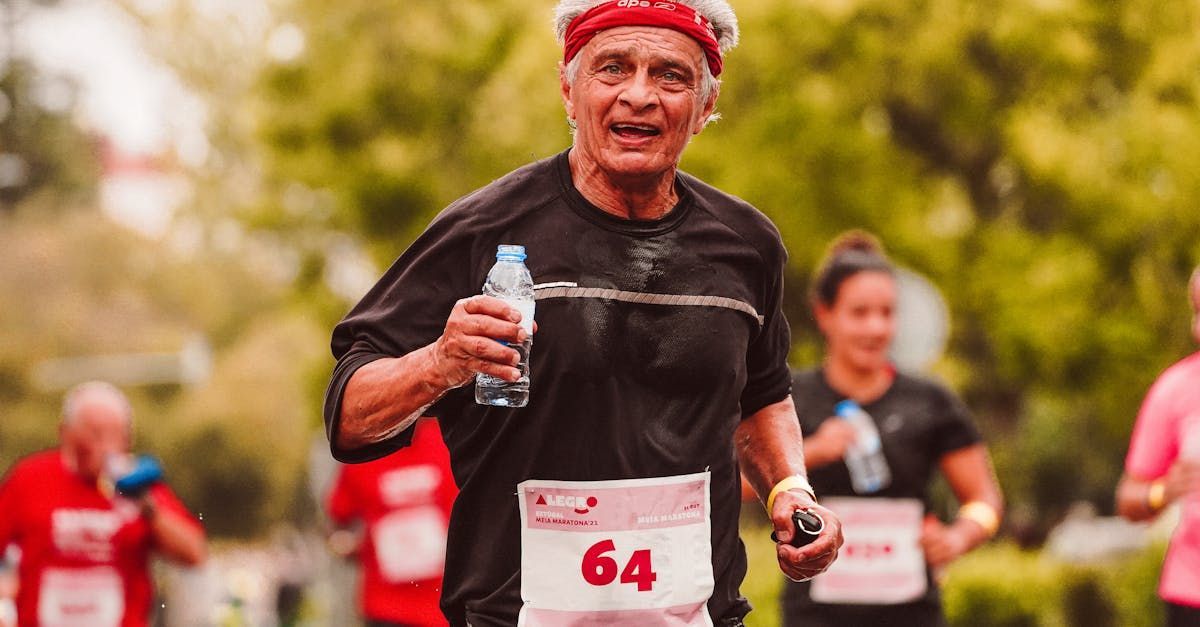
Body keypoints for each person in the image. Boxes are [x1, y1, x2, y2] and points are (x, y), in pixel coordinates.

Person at [322, 1, 844, 624]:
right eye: (613, 68)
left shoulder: (747, 245)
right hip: (515, 615)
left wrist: (791, 490)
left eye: (671, 76)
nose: (639, 95)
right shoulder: (483, 231)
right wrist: (439, 363)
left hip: (696, 614)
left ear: (706, 107)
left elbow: (762, 396)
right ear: (569, 92)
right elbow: (348, 417)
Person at [781, 232, 1003, 627]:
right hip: (816, 614)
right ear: (824, 314)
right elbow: (734, 482)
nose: (876, 327)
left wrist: (958, 537)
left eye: (887, 313)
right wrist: (812, 451)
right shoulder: (788, 398)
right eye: (860, 313)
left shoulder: (931, 400)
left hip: (912, 613)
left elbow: (985, 498)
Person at [0, 381, 206, 627]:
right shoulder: (30, 478)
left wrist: (149, 510)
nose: (104, 444)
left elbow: (194, 553)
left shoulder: (139, 486)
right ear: (66, 432)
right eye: (94, 433)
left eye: (115, 434)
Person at [1116, 264, 1200, 626]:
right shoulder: (1174, 388)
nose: (1197, 328)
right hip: (1192, 592)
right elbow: (1129, 498)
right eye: (1197, 312)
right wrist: (1163, 492)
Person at [326, 417, 458, 627]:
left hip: (445, 604)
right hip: (385, 606)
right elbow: (337, 522)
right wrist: (347, 545)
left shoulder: (448, 440)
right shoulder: (363, 454)